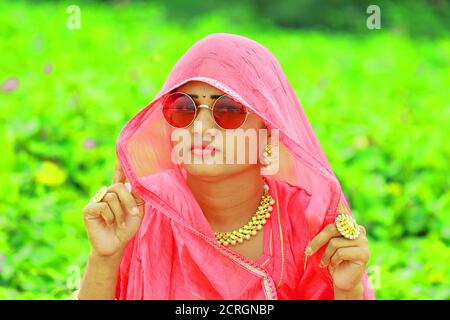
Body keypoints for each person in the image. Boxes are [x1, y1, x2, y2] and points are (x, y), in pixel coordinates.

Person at [78, 33, 374, 300]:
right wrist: (104, 257)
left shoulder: (304, 222)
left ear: (268, 131)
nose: (200, 127)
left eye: (228, 110)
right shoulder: (144, 211)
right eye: (184, 108)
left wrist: (348, 291)